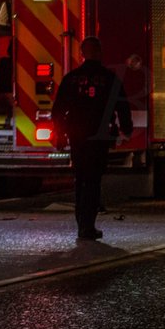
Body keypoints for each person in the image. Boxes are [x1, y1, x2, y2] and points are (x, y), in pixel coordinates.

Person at [53, 36, 133, 241]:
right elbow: (122, 106)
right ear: (99, 52)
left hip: (77, 135)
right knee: (93, 179)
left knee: (80, 179)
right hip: (99, 136)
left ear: (82, 54)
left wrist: (59, 132)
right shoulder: (109, 78)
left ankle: (82, 223)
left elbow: (59, 109)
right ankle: (88, 225)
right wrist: (126, 128)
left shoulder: (71, 78)